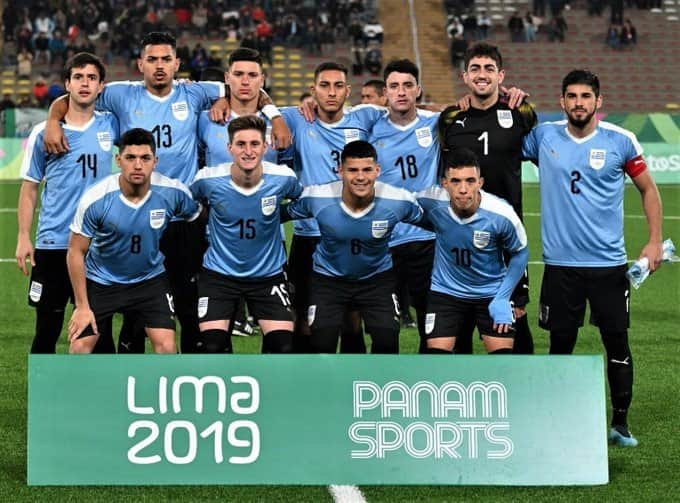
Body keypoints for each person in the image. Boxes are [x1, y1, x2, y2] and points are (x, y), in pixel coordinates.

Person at [43, 32, 227, 354]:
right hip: (136, 214)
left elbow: (249, 90)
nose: (159, 66)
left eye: (166, 59)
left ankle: (188, 380)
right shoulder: (120, 94)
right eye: (152, 59)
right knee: (135, 311)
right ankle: (132, 382)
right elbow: (74, 96)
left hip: (180, 217)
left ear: (177, 63)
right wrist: (52, 120)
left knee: (187, 306)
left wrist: (274, 116)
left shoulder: (194, 92)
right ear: (140, 64)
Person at [522, 69, 663, 447]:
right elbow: (500, 143)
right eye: (572, 96)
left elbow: (649, 190)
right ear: (563, 100)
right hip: (560, 267)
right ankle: (556, 420)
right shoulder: (542, 136)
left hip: (608, 266)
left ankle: (620, 424)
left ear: (598, 102)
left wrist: (653, 242)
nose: (579, 102)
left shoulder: (621, 141)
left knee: (616, 343)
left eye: (586, 96)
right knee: (560, 345)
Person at [438, 42, 537, 355]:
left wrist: (515, 96)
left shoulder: (520, 112)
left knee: (515, 314)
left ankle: (523, 389)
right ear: (465, 76)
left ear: (501, 75)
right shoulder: (450, 117)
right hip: (460, 234)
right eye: (475, 69)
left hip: (507, 235)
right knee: (462, 317)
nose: (482, 75)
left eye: (489, 68)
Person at [16, 52, 118, 354]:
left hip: (98, 243)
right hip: (53, 242)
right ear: (67, 84)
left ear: (101, 86)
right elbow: (30, 187)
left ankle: (101, 399)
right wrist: (23, 235)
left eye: (91, 78)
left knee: (99, 331)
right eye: (78, 77)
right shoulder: (43, 134)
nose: (84, 83)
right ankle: (44, 401)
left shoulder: (112, 124)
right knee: (47, 329)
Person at [67, 128, 201, 353]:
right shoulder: (95, 199)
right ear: (118, 160)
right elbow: (75, 252)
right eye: (130, 158)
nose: (138, 165)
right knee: (80, 347)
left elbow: (196, 218)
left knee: (167, 347)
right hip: (102, 281)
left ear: (155, 161)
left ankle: (161, 389)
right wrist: (81, 306)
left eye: (145, 158)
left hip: (150, 281)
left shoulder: (173, 193)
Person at [281, 61, 385, 353]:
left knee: (351, 320)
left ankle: (353, 388)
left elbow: (412, 111)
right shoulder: (296, 118)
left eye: (338, 86)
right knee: (302, 318)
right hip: (309, 236)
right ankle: (304, 389)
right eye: (324, 86)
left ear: (348, 91)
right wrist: (274, 117)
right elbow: (256, 102)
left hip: (351, 236)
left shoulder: (365, 118)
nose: (331, 92)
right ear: (313, 90)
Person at [283, 140, 423, 353]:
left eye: (367, 170)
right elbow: (275, 216)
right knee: (321, 344)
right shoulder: (318, 198)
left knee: (387, 341)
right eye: (352, 170)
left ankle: (377, 385)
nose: (360, 177)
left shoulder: (398, 200)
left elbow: (436, 222)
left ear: (377, 170)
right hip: (328, 279)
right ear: (340, 171)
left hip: (377, 279)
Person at [190, 116, 302, 354]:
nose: (248, 151)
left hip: (268, 275)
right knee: (212, 347)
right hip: (219, 274)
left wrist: (276, 214)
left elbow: (299, 201)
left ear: (265, 146)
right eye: (241, 144)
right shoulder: (208, 180)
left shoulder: (283, 178)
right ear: (229, 148)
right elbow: (190, 205)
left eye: (254, 144)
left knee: (283, 348)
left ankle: (267, 388)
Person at [417, 148, 529, 354]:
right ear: (444, 183)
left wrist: (503, 297)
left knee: (502, 360)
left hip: (491, 292)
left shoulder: (501, 214)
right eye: (455, 181)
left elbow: (520, 253)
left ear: (480, 183)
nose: (463, 189)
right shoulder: (431, 202)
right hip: (446, 292)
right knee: (436, 359)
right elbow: (406, 209)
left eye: (470, 181)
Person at [369, 59, 441, 351]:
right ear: (385, 92)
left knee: (431, 322)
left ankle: (427, 382)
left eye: (408, 85)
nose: (401, 92)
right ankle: (381, 385)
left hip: (427, 238)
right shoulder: (371, 130)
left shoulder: (435, 124)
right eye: (394, 86)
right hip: (384, 239)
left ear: (418, 90)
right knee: (384, 327)